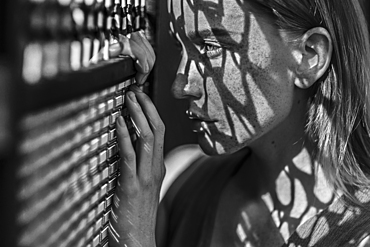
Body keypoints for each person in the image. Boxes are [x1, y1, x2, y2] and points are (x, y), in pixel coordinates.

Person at [108, 0, 370, 246]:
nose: (181, 87)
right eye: (182, 48)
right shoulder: (179, 181)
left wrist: (136, 236)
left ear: (309, 56)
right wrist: (122, 92)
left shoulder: (358, 233)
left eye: (211, 47)